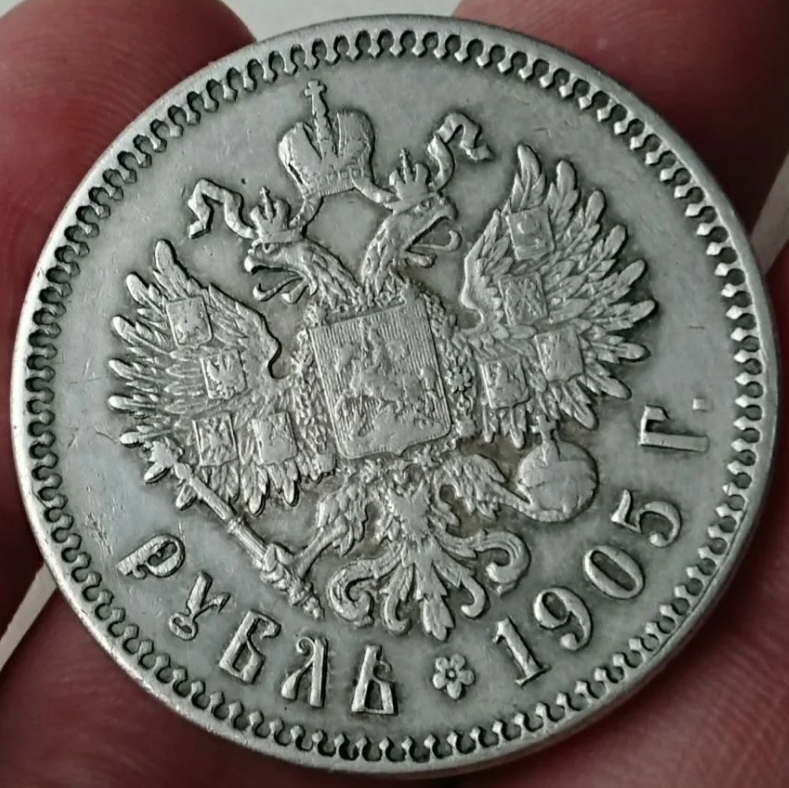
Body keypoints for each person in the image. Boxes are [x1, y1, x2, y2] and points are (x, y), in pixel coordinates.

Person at [0, 0, 788, 785]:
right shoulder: (316, 323)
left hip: (451, 492)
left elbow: (370, 272)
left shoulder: (389, 299)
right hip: (369, 515)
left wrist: (340, 237)